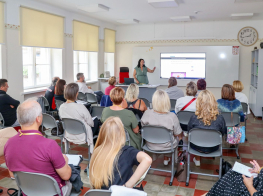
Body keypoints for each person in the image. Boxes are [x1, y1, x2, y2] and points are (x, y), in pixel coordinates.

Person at [4, 99, 72, 196]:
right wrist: (65, 161)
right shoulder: (50, 145)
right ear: (38, 119)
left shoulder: (9, 144)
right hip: (52, 193)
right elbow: (66, 176)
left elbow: (12, 175)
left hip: (27, 192)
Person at [89, 116, 152, 190]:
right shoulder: (127, 152)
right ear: (122, 133)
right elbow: (147, 160)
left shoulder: (97, 151)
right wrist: (128, 185)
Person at [141, 90, 183, 166]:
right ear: (167, 102)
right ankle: (167, 159)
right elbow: (178, 134)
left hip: (150, 144)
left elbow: (143, 128)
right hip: (168, 146)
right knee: (175, 136)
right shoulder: (172, 116)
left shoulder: (147, 113)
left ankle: (165, 159)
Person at [188, 90, 226, 166]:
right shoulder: (220, 118)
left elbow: (189, 132)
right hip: (214, 147)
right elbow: (223, 133)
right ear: (213, 102)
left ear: (198, 102)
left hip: (196, 147)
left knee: (196, 138)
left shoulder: (193, 117)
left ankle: (197, 159)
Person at [59, 83, 97, 153]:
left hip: (68, 133)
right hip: (82, 134)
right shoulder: (81, 107)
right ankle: (95, 150)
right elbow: (91, 123)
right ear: (76, 94)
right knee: (96, 121)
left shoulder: (61, 107)